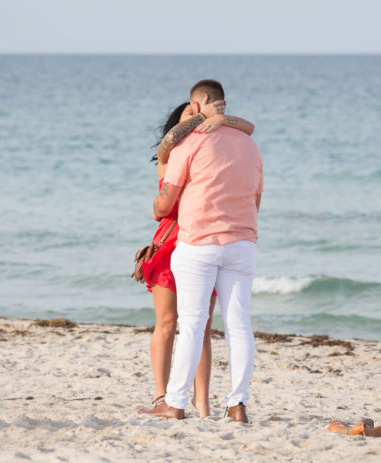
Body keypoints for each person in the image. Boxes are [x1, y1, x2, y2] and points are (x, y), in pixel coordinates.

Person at [140, 79, 263, 423]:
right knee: (239, 325)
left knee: (192, 324)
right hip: (241, 243)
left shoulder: (189, 144)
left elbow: (166, 201)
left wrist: (157, 208)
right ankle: (237, 405)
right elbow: (256, 198)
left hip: (198, 244)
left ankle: (175, 403)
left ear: (200, 103)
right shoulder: (251, 146)